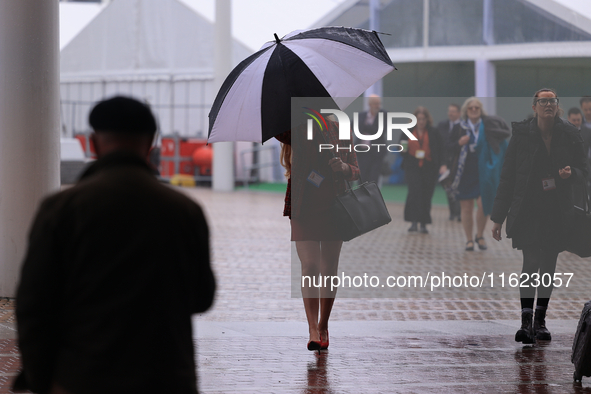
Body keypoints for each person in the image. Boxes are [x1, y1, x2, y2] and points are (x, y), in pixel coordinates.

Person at [14, 96, 216, 394]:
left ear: (94, 143)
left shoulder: (61, 209)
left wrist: (42, 379)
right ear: (151, 144)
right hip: (167, 378)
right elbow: (202, 297)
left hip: (83, 378)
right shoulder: (184, 211)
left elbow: (34, 306)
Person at [491, 88, 587, 343]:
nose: (548, 105)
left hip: (557, 210)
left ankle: (540, 321)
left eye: (552, 101)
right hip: (527, 210)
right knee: (531, 263)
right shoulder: (522, 135)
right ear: (534, 107)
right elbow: (508, 177)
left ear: (557, 106)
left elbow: (584, 169)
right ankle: (525, 322)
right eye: (543, 101)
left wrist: (572, 174)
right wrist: (497, 217)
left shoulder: (569, 134)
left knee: (547, 266)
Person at [276, 118, 359, 351]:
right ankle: (313, 328)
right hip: (304, 207)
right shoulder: (295, 129)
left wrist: (343, 168)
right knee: (310, 266)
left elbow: (355, 169)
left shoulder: (339, 128)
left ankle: (323, 325)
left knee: (329, 268)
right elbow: (277, 130)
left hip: (335, 206)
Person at [447, 97, 510, 251]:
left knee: (484, 204)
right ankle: (469, 239)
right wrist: (459, 143)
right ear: (465, 111)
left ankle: (480, 235)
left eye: (477, 108)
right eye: (471, 108)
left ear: (481, 110)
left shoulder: (488, 125)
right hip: (465, 170)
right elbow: (448, 147)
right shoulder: (459, 127)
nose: (474, 110)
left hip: (483, 169)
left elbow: (501, 142)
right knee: (466, 206)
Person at [400, 106, 446, 234]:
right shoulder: (407, 131)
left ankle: (424, 223)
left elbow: (441, 149)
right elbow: (401, 148)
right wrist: (402, 148)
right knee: (414, 193)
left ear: (427, 119)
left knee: (426, 194)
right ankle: (413, 222)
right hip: (412, 166)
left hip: (429, 167)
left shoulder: (433, 132)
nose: (421, 121)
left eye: (423, 119)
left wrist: (443, 164)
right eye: (418, 119)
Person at [437, 103, 462, 221]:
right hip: (445, 161)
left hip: (458, 161)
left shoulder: (463, 127)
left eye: (453, 111)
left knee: (458, 187)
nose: (450, 113)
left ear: (459, 113)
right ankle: (453, 212)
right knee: (447, 186)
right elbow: (440, 144)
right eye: (449, 111)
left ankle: (459, 213)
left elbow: (459, 147)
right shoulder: (442, 125)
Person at [355, 94, 387, 185]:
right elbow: (352, 126)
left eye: (379, 104)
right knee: (362, 178)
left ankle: (372, 199)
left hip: (376, 153)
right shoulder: (361, 116)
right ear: (370, 104)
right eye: (375, 104)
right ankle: (361, 199)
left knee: (373, 179)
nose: (377, 106)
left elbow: (379, 131)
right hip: (362, 152)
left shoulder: (384, 115)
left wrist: (364, 126)